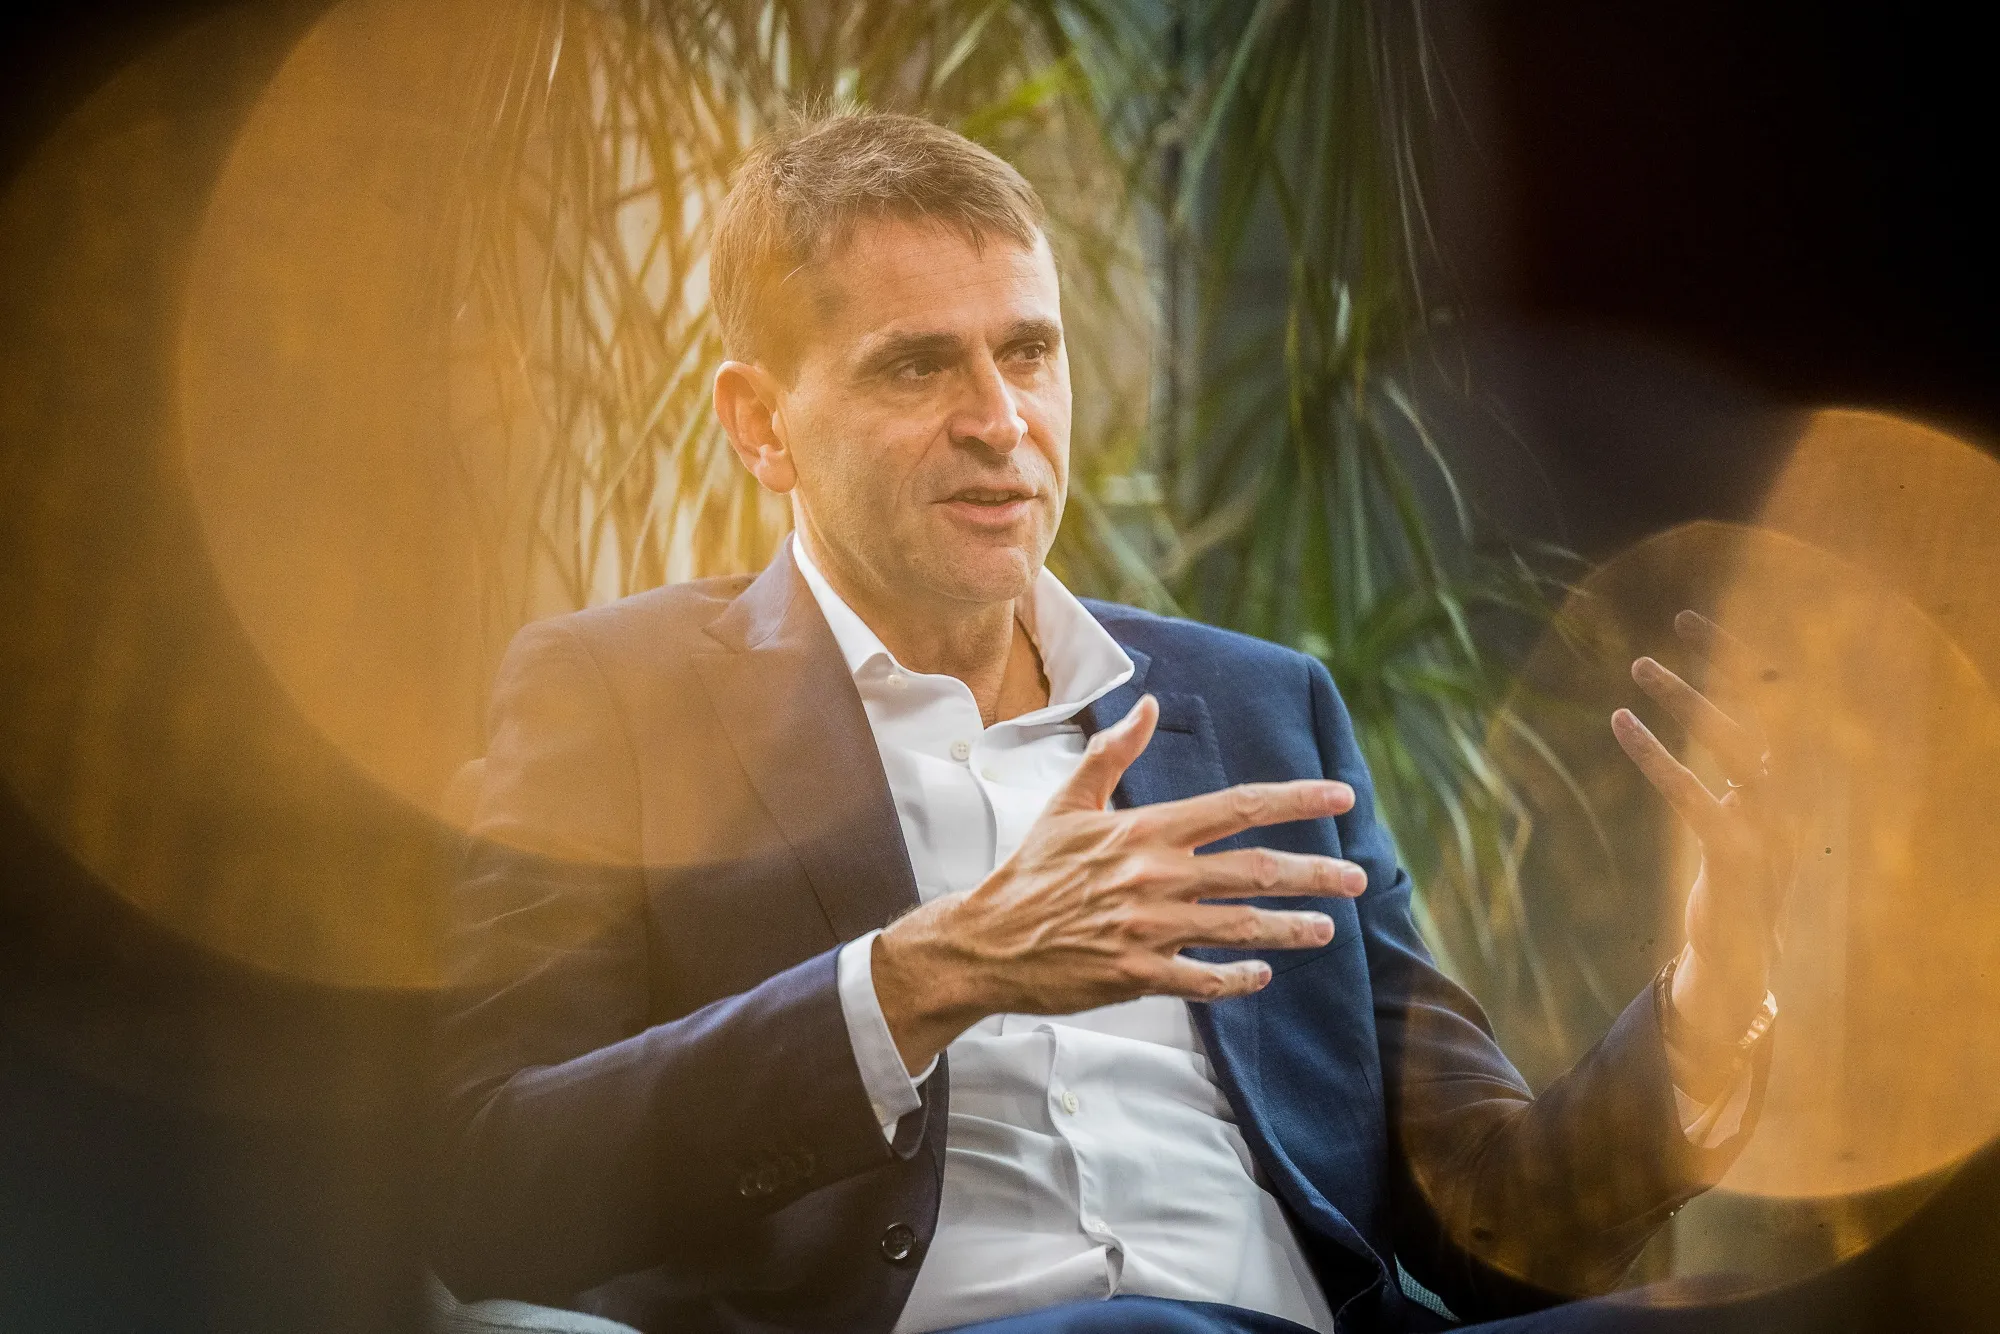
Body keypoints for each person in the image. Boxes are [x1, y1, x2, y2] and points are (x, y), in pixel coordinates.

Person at [432, 110, 1796, 1334]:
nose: (1001, 420)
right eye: (917, 369)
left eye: (1029, 350)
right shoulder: (618, 699)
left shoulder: (1259, 708)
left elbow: (1502, 1224)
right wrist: (927, 976)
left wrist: (1709, 998)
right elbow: (490, 1176)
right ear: (760, 424)